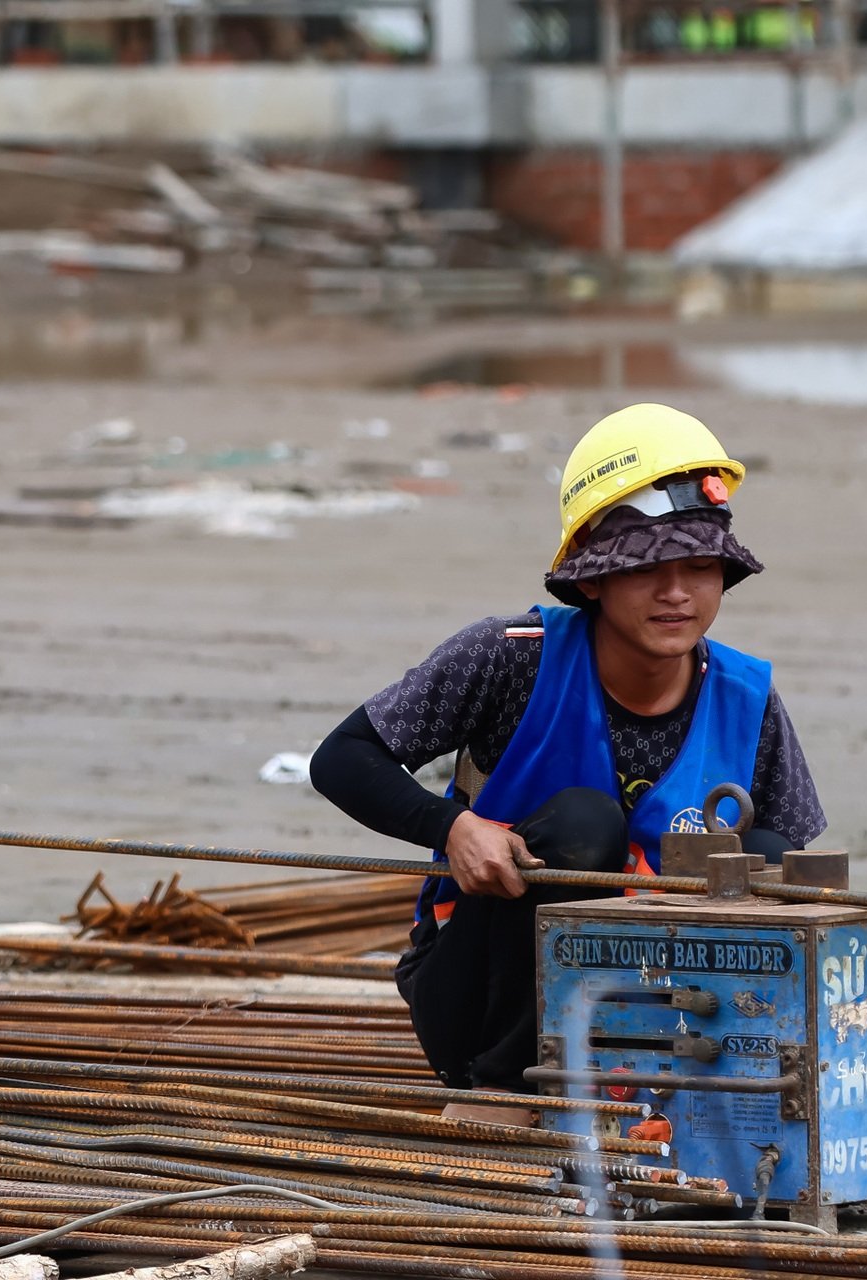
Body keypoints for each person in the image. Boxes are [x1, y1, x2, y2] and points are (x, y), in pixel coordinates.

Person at [310, 403, 824, 1121]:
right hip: (485, 1006)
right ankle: (506, 1096)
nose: (676, 592)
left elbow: (790, 858)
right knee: (584, 823)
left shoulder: (747, 698)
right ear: (591, 579)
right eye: (648, 567)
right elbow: (341, 758)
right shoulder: (511, 657)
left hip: (659, 1006)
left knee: (767, 855)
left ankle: (722, 1100)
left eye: (699, 567)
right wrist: (457, 828)